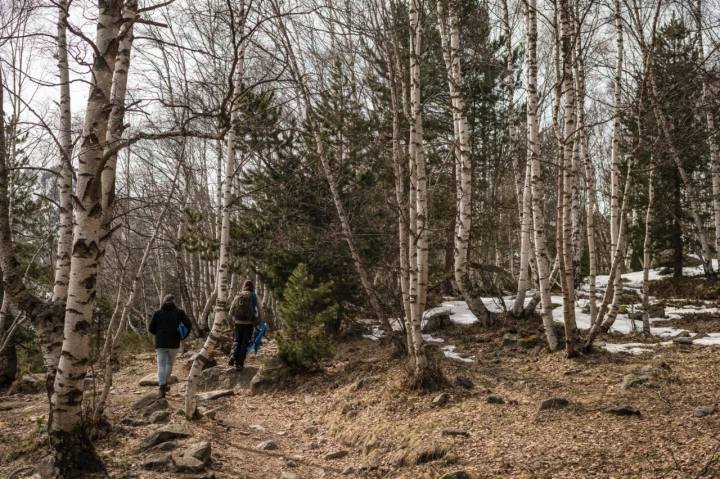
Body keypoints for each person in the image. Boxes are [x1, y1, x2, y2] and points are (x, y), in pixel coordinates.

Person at [148, 294, 191, 398]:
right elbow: (188, 324)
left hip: (160, 343)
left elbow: (151, 328)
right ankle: (164, 383)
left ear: (164, 301)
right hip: (174, 342)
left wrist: (159, 335)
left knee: (161, 365)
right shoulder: (179, 312)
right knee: (169, 364)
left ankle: (162, 388)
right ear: (173, 302)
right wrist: (183, 335)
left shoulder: (158, 313)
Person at [228, 280, 261, 371]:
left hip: (237, 322)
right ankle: (239, 364)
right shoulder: (254, 296)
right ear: (252, 287)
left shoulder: (238, 296)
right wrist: (259, 322)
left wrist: (230, 322)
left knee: (236, 340)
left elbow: (231, 311)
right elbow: (260, 309)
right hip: (249, 323)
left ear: (244, 286)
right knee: (244, 343)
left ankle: (233, 355)